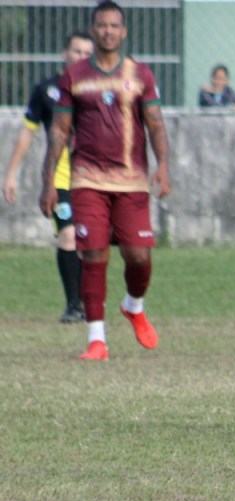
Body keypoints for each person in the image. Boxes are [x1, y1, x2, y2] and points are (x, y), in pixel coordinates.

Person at [39, 0, 172, 361]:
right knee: (93, 253)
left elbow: (156, 124)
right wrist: (48, 179)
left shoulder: (140, 74)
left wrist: (163, 166)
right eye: (102, 25)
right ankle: (96, 340)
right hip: (87, 179)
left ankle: (133, 305)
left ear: (123, 31)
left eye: (114, 25)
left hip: (131, 180)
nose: (108, 31)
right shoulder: (74, 75)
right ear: (93, 29)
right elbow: (59, 130)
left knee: (138, 256)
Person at [4, 31, 93, 324]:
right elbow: (27, 132)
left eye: (87, 53)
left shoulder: (98, 89)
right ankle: (73, 306)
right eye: (77, 51)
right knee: (68, 234)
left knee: (89, 242)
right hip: (60, 176)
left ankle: (89, 303)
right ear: (64, 54)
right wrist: (11, 174)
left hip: (93, 176)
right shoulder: (46, 90)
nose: (82, 57)